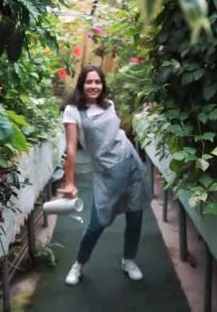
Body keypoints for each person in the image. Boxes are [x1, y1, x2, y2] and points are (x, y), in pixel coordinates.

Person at [58, 65, 152, 286]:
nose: (93, 86)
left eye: (97, 82)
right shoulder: (73, 111)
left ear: (103, 84)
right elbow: (71, 147)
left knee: (135, 216)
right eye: (89, 82)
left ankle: (129, 260)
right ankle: (78, 264)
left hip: (131, 165)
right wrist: (69, 182)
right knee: (96, 224)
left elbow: (117, 135)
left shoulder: (109, 105)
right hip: (106, 173)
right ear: (81, 84)